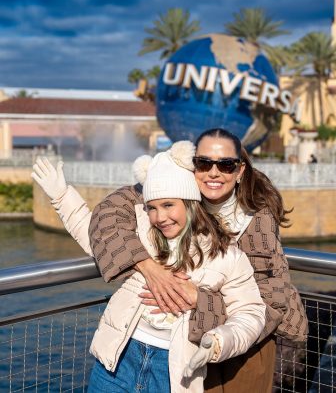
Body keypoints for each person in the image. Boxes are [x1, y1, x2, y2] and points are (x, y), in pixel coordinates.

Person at [32, 142, 266, 393]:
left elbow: (251, 313)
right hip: (118, 359)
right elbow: (93, 236)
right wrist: (61, 195)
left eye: (168, 205)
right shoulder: (141, 235)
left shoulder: (226, 256)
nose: (159, 217)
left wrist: (217, 342)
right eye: (152, 208)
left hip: (173, 370)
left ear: (190, 203)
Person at [87, 128, 308, 393]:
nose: (214, 172)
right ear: (192, 166)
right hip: (189, 345)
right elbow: (110, 211)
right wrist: (149, 267)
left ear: (239, 171)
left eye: (226, 165)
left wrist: (198, 300)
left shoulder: (256, 220)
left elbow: (269, 304)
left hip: (244, 349)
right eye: (204, 163)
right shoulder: (182, 190)